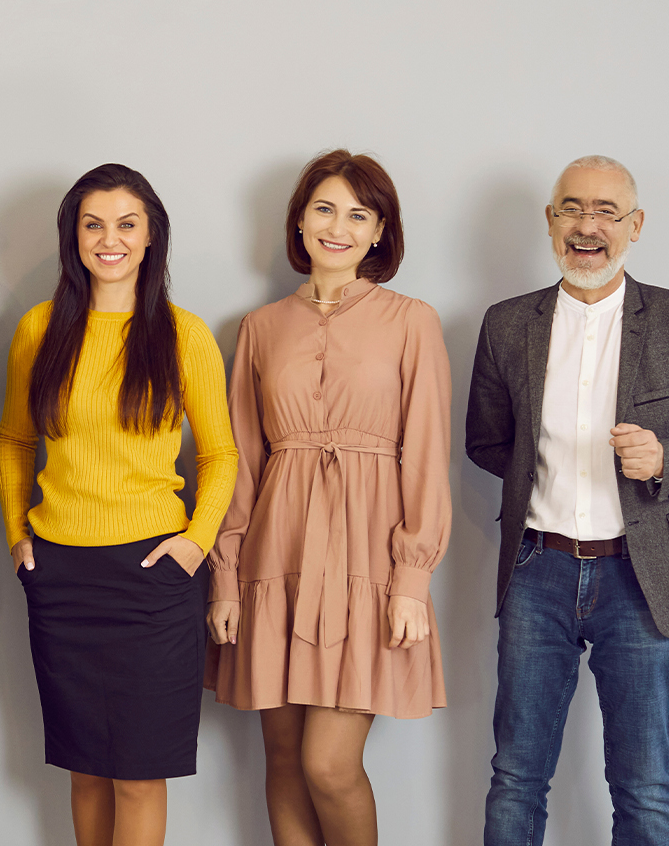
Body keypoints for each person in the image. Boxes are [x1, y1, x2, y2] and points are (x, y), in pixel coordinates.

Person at [467, 155, 669, 846]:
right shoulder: (507, 324)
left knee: (644, 782)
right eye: (571, 208)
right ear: (550, 220)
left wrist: (665, 459)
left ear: (635, 225)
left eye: (605, 212)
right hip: (538, 571)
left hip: (642, 577)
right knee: (517, 774)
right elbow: (486, 441)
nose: (587, 226)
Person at [206, 149, 451, 846]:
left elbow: (427, 453)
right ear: (300, 221)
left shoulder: (413, 321)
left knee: (329, 765)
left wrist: (411, 580)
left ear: (380, 232)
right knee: (282, 758)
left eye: (357, 214)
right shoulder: (259, 327)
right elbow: (240, 461)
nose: (337, 227)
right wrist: (225, 580)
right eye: (323, 209)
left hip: (367, 561)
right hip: (274, 555)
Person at [0, 164, 238, 846]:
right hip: (61, 578)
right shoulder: (39, 329)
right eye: (93, 224)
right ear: (73, 236)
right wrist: (20, 537)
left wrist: (194, 543)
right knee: (85, 772)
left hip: (153, 578)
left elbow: (222, 455)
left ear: (151, 235)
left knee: (137, 774)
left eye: (127, 224)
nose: (111, 239)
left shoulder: (183, 334)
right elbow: (14, 440)